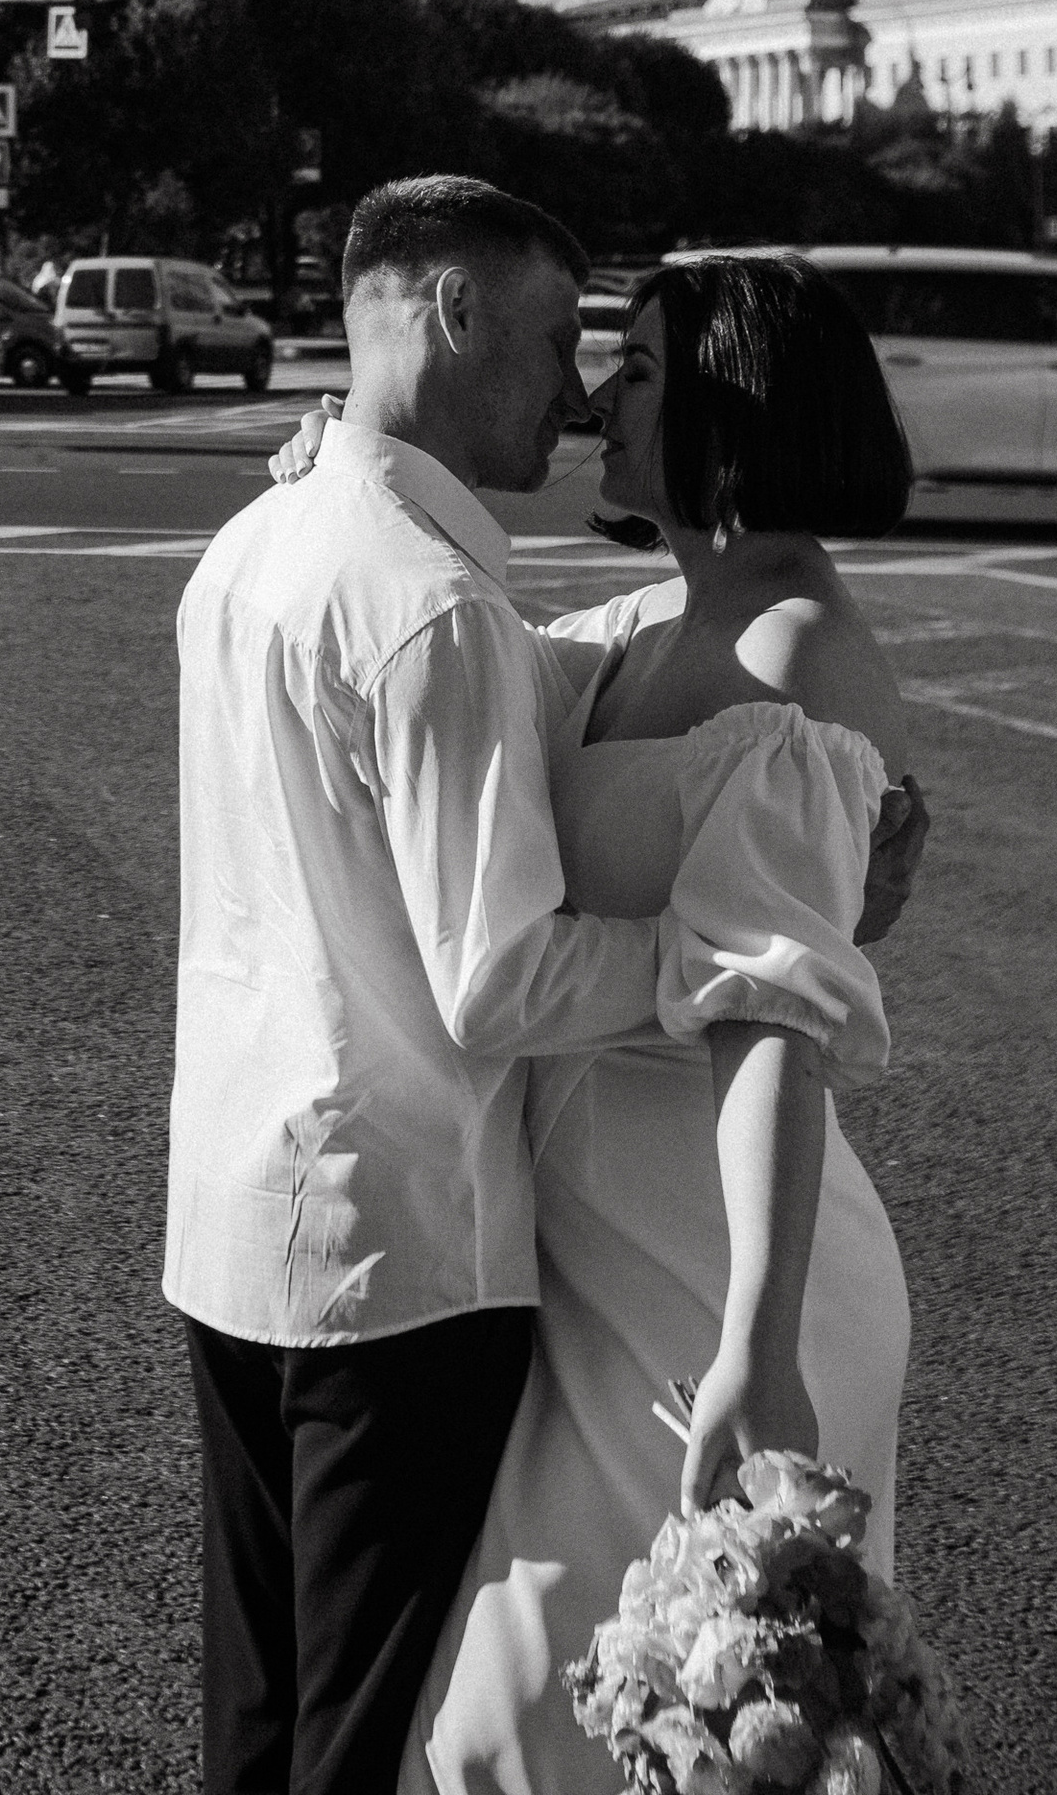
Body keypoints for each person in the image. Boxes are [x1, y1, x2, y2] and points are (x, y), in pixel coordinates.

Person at [168, 177, 677, 1795]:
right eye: (552, 342)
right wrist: (744, 953)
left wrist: (678, 606)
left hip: (239, 1218)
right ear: (453, 316)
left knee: (259, 1709)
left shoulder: (256, 541)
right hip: (402, 1257)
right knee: (367, 1736)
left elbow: (485, 677)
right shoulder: (436, 605)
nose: (581, 395)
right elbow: (504, 978)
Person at [397, 254, 919, 1793]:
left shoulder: (795, 647)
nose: (597, 397)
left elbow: (770, 1017)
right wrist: (353, 464)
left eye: (636, 368)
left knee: (620, 1719)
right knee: (532, 1716)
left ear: (734, 399)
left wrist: (759, 1338)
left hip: (721, 1276)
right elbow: (466, 635)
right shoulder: (650, 622)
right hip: (585, 1253)